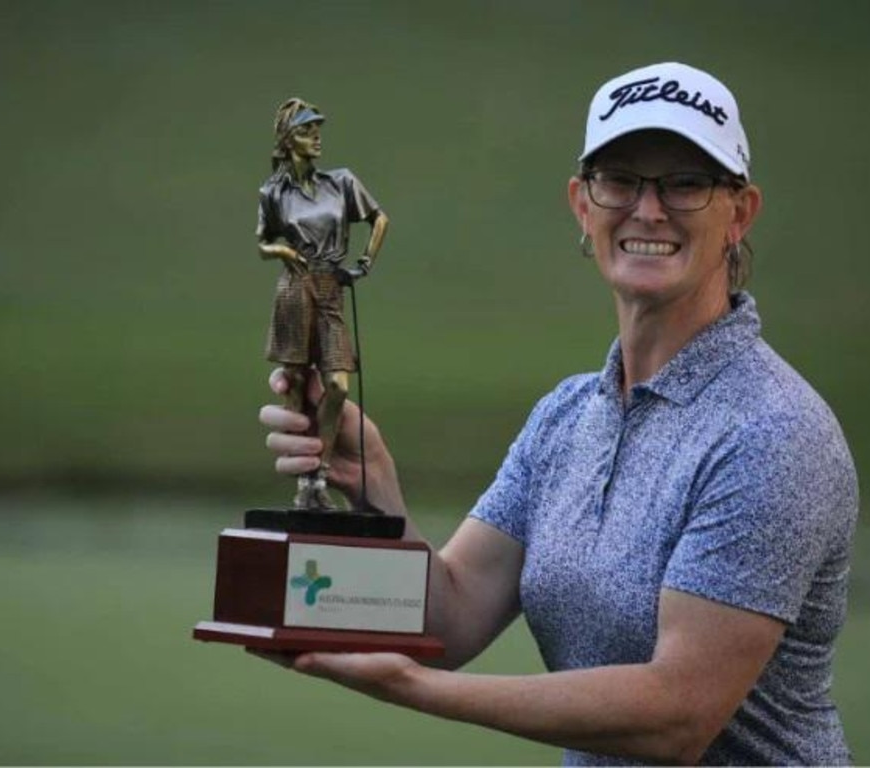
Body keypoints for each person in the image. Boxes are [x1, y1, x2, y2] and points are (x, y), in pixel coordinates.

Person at [257, 62, 859, 765]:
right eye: (619, 180)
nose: (648, 209)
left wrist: (412, 687)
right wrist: (378, 490)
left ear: (740, 213)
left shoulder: (770, 432)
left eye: (685, 184)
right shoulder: (569, 415)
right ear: (581, 203)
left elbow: (676, 714)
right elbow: (450, 617)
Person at [257, 97, 389, 510]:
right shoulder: (274, 192)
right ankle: (307, 487)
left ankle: (323, 467)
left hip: (331, 285)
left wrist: (364, 263)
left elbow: (380, 219)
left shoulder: (341, 182)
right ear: (286, 139)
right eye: (305, 130)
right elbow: (262, 241)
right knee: (295, 380)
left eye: (317, 130)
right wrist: (282, 252)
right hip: (295, 288)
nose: (316, 137)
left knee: (336, 384)